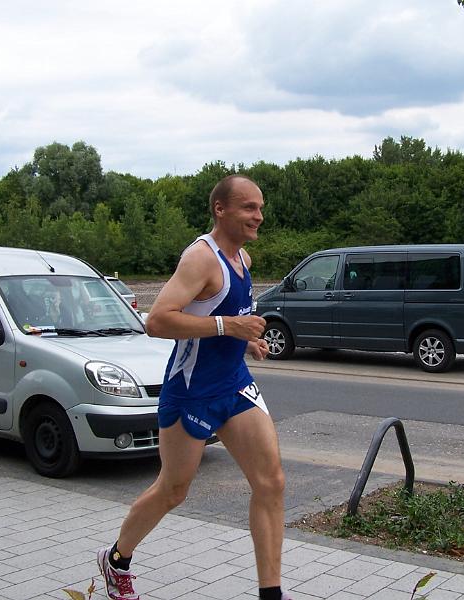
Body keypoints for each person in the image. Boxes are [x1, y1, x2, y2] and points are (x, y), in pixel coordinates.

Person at [96, 175, 292, 600]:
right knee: (173, 489)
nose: (258, 216)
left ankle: (271, 593)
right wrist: (228, 325)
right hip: (191, 391)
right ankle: (116, 560)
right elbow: (157, 320)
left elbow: (228, 320)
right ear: (221, 210)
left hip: (234, 385)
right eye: (248, 208)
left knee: (271, 482)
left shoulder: (245, 260)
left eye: (260, 207)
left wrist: (247, 337)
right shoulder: (200, 259)